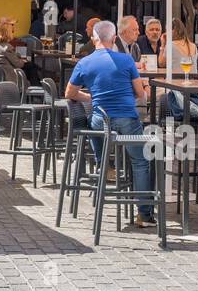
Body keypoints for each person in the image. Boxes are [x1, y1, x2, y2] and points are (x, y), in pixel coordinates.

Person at [63, 20, 154, 227]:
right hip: (127, 118)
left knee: (97, 130)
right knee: (140, 162)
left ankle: (103, 164)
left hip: (100, 121)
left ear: (94, 38)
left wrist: (91, 97)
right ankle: (144, 215)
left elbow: (69, 93)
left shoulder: (84, 62)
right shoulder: (126, 60)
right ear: (114, 39)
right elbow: (140, 94)